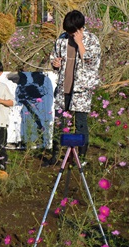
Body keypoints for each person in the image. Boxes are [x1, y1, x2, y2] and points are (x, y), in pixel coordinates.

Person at [44, 10, 101, 166]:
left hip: (81, 89)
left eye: (72, 31)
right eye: (67, 31)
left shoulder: (91, 40)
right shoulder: (62, 39)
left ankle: (80, 159)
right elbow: (54, 58)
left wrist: (80, 43)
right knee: (59, 122)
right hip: (64, 87)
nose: (69, 34)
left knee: (81, 123)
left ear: (80, 28)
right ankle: (55, 156)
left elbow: (90, 63)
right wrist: (55, 64)